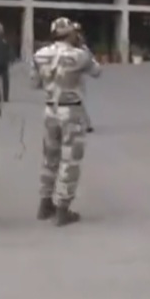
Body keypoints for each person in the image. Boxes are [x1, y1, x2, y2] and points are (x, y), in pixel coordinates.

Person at [31, 17, 101, 226]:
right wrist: (83, 46)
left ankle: (45, 203)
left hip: (50, 109)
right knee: (70, 160)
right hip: (71, 110)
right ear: (71, 34)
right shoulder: (79, 55)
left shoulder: (40, 54)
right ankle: (63, 208)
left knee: (49, 158)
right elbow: (97, 71)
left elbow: (34, 83)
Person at [73, 22, 94, 133]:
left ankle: (85, 124)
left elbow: (88, 58)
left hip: (76, 76)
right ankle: (83, 123)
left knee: (77, 100)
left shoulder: (81, 47)